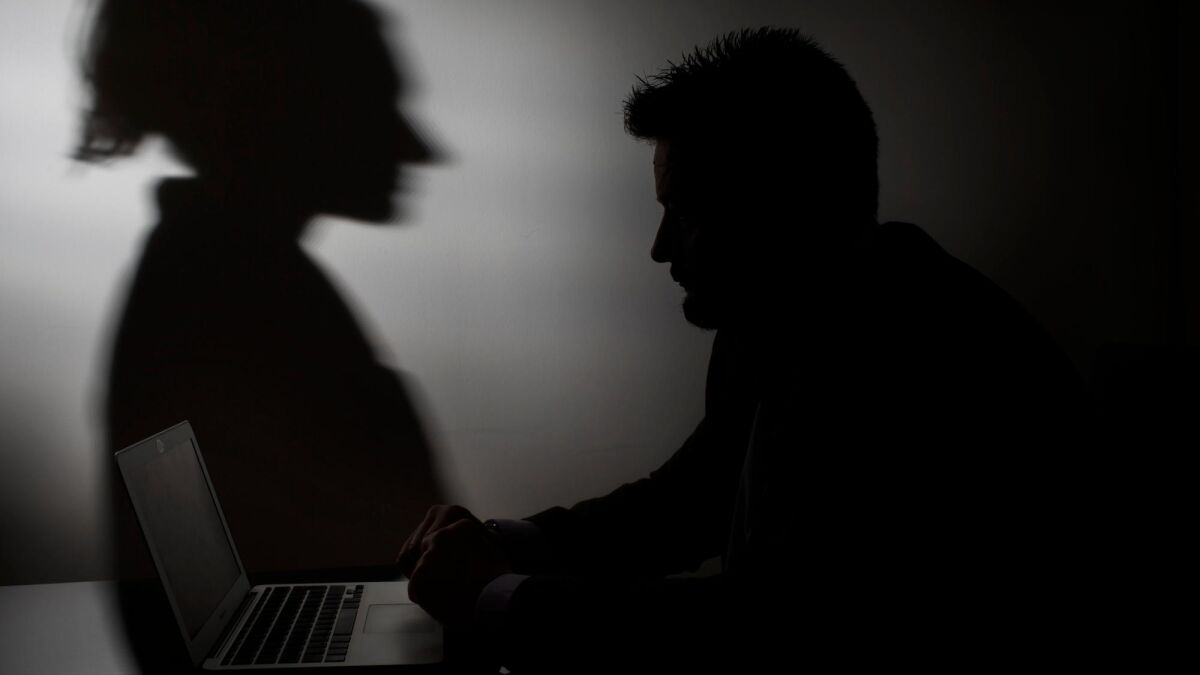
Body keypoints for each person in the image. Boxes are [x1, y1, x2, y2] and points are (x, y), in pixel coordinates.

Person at [396, 27, 1095, 672]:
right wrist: (505, 542)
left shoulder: (918, 358)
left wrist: (498, 597)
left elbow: (767, 627)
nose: (659, 248)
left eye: (686, 212)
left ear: (787, 207)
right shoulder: (778, 312)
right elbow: (691, 499)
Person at [75, 0, 444, 668]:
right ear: (292, 107)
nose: (424, 150)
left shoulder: (228, 274)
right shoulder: (228, 295)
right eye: (377, 101)